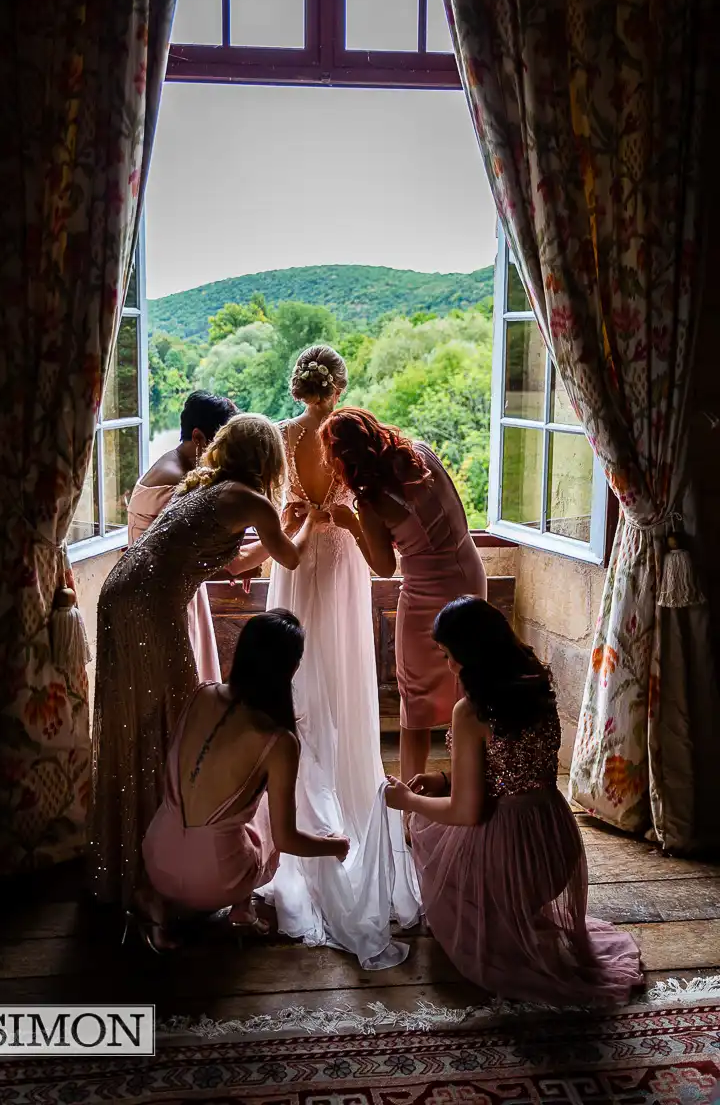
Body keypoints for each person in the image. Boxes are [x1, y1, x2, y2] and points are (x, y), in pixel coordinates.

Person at [88, 413, 325, 907]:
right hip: (150, 605)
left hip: (120, 591)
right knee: (175, 716)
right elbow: (291, 557)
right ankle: (166, 865)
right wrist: (307, 524)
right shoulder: (252, 500)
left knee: (140, 718)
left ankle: (144, 851)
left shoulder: (204, 487)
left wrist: (280, 531)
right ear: (267, 459)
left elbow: (235, 562)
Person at [385, 596, 644, 1006]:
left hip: (512, 857)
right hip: (554, 845)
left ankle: (493, 912)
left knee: (424, 828)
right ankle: (510, 911)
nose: (449, 665)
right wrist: (442, 778)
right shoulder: (537, 685)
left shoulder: (470, 712)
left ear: (472, 654)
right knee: (437, 814)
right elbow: (513, 767)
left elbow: (466, 812)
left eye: (450, 656)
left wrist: (407, 802)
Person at [259, 349, 420, 969]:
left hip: (295, 560)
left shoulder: (282, 435)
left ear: (298, 385)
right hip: (343, 558)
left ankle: (299, 803)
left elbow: (278, 512)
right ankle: (342, 806)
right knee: (342, 683)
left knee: (299, 683)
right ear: (340, 386)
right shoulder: (348, 431)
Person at [137, 610, 350, 951]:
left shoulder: (201, 694)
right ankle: (241, 907)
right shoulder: (278, 740)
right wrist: (336, 846)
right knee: (264, 817)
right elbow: (288, 840)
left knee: (223, 811)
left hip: (156, 855)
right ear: (290, 669)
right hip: (216, 880)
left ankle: (157, 904)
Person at [320, 408, 487, 793]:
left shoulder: (372, 502)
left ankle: (412, 802)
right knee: (471, 682)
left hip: (427, 593)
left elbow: (383, 566)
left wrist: (350, 525)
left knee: (416, 696)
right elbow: (456, 512)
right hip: (469, 574)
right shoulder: (422, 455)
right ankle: (472, 785)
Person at [127, 391, 238, 682]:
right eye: (223, 444)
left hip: (171, 588)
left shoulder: (180, 465)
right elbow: (216, 553)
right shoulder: (175, 481)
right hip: (165, 599)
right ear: (199, 436)